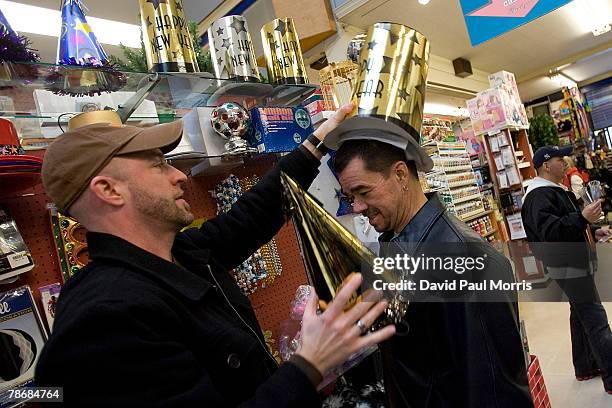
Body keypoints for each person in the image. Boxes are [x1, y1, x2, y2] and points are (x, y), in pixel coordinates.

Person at [35, 105, 395, 407]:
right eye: (159, 164)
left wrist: (318, 140)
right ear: (109, 190)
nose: (179, 176)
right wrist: (309, 366)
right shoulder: (105, 320)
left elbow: (253, 213)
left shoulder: (183, 253)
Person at [328, 137, 532, 407]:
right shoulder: (396, 244)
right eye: (350, 197)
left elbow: (494, 389)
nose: (357, 207)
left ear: (401, 174)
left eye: (363, 192)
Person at [522, 145, 612, 394]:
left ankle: (585, 366)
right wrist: (583, 218)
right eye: (561, 159)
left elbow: (566, 224)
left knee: (580, 313)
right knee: (596, 318)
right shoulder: (539, 196)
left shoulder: (553, 191)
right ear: (546, 165)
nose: (566, 163)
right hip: (567, 265)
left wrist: (593, 231)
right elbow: (551, 233)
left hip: (572, 263)